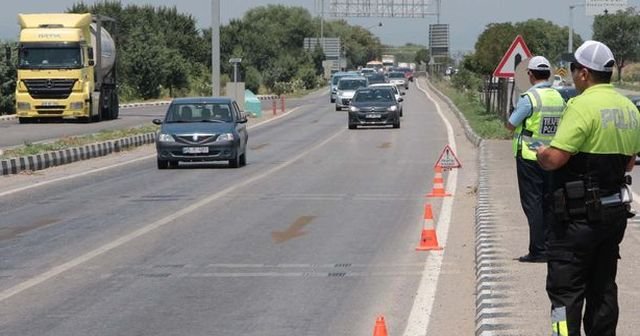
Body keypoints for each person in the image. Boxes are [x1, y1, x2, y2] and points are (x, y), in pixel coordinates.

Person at [535, 40, 640, 335]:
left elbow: (556, 159)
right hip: (613, 216)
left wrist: (542, 153)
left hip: (575, 220)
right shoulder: (628, 108)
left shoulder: (580, 106)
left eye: (572, 70)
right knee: (603, 288)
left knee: (564, 293)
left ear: (583, 73)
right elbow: (630, 163)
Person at [505, 56, 566, 263]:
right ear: (548, 74)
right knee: (550, 202)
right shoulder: (558, 97)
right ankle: (550, 247)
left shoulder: (528, 99)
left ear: (530, 74)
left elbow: (511, 124)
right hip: (552, 157)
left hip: (530, 157)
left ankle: (538, 250)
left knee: (533, 203)